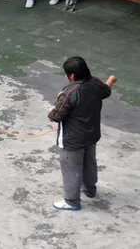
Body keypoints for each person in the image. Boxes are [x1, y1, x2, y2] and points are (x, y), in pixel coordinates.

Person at [48, 57, 116, 211]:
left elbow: (56, 116)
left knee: (71, 168)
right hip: (91, 135)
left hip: (72, 140)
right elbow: (105, 91)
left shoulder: (69, 92)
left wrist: (50, 111)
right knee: (89, 163)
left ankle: (72, 201)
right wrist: (111, 81)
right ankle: (90, 190)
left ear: (71, 76)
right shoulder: (96, 83)